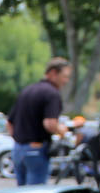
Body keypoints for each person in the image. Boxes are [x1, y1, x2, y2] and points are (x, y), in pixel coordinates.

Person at [8, 57, 70, 185]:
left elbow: (9, 123)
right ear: (53, 73)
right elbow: (49, 123)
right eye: (64, 76)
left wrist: (19, 141)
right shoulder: (52, 93)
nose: (66, 81)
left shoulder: (27, 90)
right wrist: (62, 130)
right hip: (36, 149)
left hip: (18, 149)